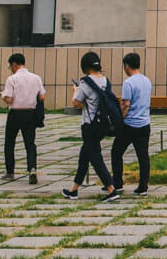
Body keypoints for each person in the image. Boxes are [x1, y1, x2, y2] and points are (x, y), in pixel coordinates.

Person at [62, 51, 117, 200]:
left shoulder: (86, 82)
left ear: (85, 66)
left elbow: (76, 102)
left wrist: (75, 90)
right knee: (84, 155)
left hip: (89, 124)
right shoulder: (105, 80)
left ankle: (111, 189)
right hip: (101, 124)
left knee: (95, 158)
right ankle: (74, 190)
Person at [109, 52, 152, 198]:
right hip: (145, 123)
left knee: (116, 152)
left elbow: (125, 104)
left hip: (130, 124)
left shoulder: (128, 83)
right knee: (143, 156)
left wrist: (119, 119)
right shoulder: (147, 81)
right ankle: (143, 186)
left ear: (126, 66)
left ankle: (118, 183)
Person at [0, 53, 46, 184]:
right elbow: (42, 96)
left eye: (10, 66)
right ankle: (32, 168)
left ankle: (10, 172)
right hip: (30, 114)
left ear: (14, 64)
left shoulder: (12, 79)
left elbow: (9, 99)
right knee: (30, 143)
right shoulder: (36, 78)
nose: (11, 69)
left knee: (10, 143)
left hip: (15, 113)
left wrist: (3, 95)